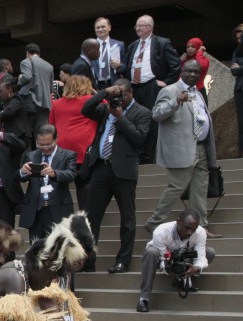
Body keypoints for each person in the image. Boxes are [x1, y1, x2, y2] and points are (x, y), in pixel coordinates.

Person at [81, 79, 151, 273]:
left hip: (124, 171)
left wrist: (120, 117)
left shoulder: (142, 113)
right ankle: (88, 261)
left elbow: (139, 139)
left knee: (127, 219)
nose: (119, 98)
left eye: (123, 95)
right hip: (101, 168)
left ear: (131, 94)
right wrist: (104, 93)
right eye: (116, 95)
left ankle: (123, 260)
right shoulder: (105, 109)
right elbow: (85, 109)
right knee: (91, 218)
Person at [144, 60, 218, 235]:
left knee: (200, 190)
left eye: (196, 72)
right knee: (176, 188)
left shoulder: (198, 93)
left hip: (201, 148)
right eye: (189, 71)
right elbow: (156, 114)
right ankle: (154, 222)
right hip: (181, 150)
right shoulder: (169, 90)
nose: (193, 74)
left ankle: (201, 227)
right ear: (182, 71)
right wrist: (176, 102)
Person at [125, 14, 181, 163]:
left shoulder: (162, 43)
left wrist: (167, 82)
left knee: (153, 119)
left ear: (150, 27)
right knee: (136, 119)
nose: (137, 28)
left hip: (152, 85)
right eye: (136, 26)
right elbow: (127, 66)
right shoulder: (132, 46)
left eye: (141, 25)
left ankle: (152, 155)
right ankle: (139, 154)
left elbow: (175, 65)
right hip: (135, 87)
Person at [137, 209, 214, 312]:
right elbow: (164, 257)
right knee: (151, 252)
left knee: (209, 252)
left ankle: (184, 282)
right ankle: (144, 298)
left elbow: (201, 257)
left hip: (185, 257)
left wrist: (195, 268)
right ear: (178, 221)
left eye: (193, 229)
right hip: (162, 257)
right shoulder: (161, 231)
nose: (190, 232)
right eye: (186, 227)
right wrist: (170, 264)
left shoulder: (200, 232)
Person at [18, 124, 77, 243]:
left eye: (49, 144)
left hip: (58, 207)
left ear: (56, 138)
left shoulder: (68, 155)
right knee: (36, 246)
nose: (45, 148)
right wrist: (23, 172)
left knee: (59, 245)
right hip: (36, 209)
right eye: (41, 144)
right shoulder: (31, 155)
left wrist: (54, 173)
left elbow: (71, 174)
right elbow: (21, 178)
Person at [49, 74, 98, 210]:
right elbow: (108, 106)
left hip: (62, 149)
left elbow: (51, 125)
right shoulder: (90, 100)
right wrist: (96, 93)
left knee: (61, 182)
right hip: (84, 148)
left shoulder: (56, 104)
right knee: (84, 184)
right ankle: (85, 213)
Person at [17, 43, 55, 141]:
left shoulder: (26, 61)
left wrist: (19, 80)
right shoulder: (49, 66)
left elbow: (27, 76)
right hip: (45, 104)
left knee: (26, 133)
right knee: (42, 133)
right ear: (39, 53)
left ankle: (28, 156)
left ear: (27, 52)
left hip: (30, 102)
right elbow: (51, 88)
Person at [92, 17, 127, 90]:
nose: (100, 29)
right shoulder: (89, 46)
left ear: (109, 27)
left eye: (103, 27)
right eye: (97, 28)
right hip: (97, 85)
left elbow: (126, 67)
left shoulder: (119, 45)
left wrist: (119, 65)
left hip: (114, 83)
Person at [0, 78, 31, 148]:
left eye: (1, 91)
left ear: (9, 89)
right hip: (15, 137)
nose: (0, 94)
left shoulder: (16, 99)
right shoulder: (9, 102)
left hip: (20, 136)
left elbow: (7, 113)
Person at [181, 38, 210, 103]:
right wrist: (179, 61)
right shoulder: (184, 60)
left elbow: (201, 66)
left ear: (199, 47)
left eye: (193, 46)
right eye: (188, 47)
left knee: (200, 111)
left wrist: (200, 53)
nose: (190, 48)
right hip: (184, 91)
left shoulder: (204, 59)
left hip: (198, 90)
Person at [233, 23, 243, 159]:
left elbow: (238, 69)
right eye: (237, 38)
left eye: (241, 37)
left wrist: (241, 67)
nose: (239, 41)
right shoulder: (237, 51)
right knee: (242, 123)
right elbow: (233, 70)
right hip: (240, 89)